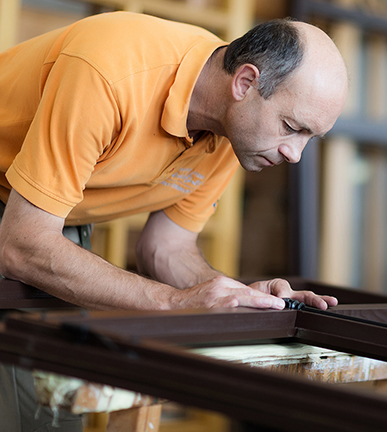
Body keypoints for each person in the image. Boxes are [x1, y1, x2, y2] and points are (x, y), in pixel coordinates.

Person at [0, 11, 347, 431]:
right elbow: (21, 244)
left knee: (54, 408)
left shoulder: (229, 132)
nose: (295, 154)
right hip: (26, 218)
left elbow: (165, 248)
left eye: (310, 137)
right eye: (291, 127)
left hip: (43, 217)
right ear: (245, 83)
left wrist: (235, 299)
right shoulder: (110, 71)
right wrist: (175, 302)